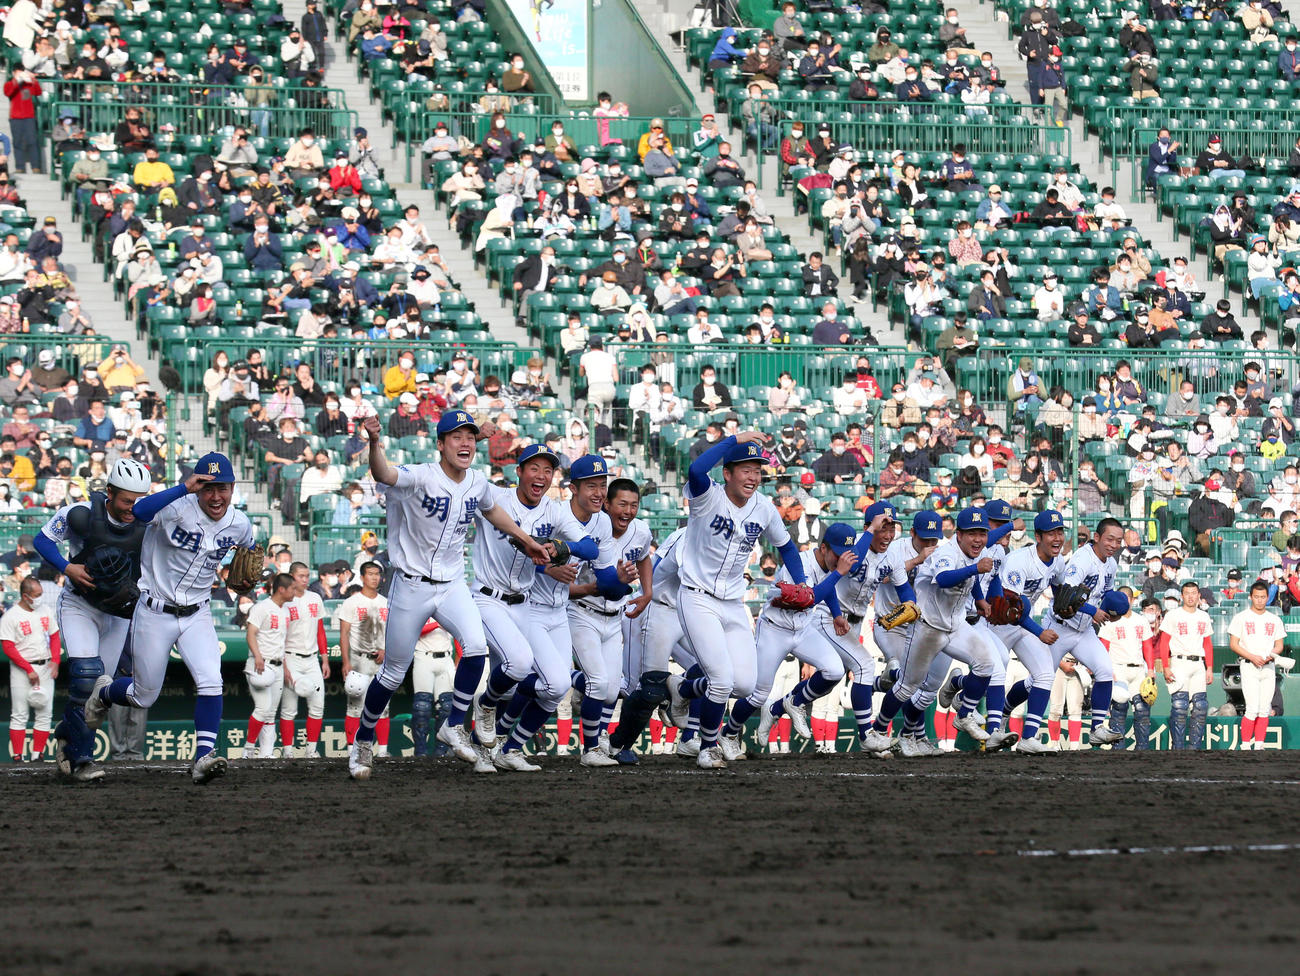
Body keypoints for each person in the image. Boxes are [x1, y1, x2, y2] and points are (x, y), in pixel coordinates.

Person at [344, 410, 549, 780]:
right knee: (392, 673)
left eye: (470, 436)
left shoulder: (476, 481)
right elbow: (383, 474)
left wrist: (528, 541)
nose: (466, 442)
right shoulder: (421, 476)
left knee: (476, 648)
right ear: (440, 444)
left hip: (453, 582)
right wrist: (375, 442)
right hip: (410, 583)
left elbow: (493, 511)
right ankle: (362, 740)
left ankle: (454, 723)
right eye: (456, 436)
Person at [85, 453, 255, 785]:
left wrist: (246, 580)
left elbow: (249, 551)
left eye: (222, 488)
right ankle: (104, 694)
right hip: (154, 610)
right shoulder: (177, 506)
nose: (215, 496)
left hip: (198, 612)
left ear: (233, 487)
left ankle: (203, 757)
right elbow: (139, 511)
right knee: (143, 695)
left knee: (211, 681)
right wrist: (184, 488)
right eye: (207, 488)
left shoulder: (239, 522)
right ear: (197, 487)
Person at [664, 433, 809, 769]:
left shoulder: (763, 507)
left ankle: (683, 690)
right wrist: (735, 439)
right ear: (727, 473)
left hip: (732, 602)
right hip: (697, 598)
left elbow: (786, 546)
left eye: (757, 470)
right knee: (721, 680)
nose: (753, 477)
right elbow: (696, 469)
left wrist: (800, 581)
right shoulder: (707, 495)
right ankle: (708, 747)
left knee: (745, 685)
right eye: (745, 469)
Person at [466, 446, 614, 770]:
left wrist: (564, 547)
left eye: (548, 471)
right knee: (522, 667)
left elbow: (588, 546)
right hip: (492, 596)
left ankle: (509, 749)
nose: (542, 476)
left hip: (530, 604)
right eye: (535, 468)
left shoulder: (553, 510)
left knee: (557, 686)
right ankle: (486, 708)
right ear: (518, 470)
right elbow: (462, 488)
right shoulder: (494, 498)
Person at [748, 506, 907, 754]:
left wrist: (912, 604)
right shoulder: (856, 546)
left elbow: (903, 586)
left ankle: (779, 707)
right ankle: (867, 735)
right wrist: (870, 531)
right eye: (882, 526)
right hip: (826, 617)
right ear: (870, 527)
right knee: (864, 665)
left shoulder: (891, 555)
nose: (887, 533)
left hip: (850, 621)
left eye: (891, 527)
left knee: (832, 677)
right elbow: (851, 566)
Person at [33, 458, 150, 781]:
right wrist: (66, 566)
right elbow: (43, 540)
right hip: (79, 604)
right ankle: (81, 759)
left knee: (100, 689)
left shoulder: (148, 521)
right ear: (110, 492)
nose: (133, 508)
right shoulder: (81, 513)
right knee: (86, 675)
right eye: (127, 500)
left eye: (139, 501)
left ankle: (67, 734)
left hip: (119, 613)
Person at [566, 477, 653, 765]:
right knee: (599, 683)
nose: (628, 511)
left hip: (614, 617)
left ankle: (600, 739)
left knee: (612, 689)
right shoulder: (585, 527)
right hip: (582, 611)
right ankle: (591, 749)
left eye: (634, 505)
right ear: (606, 504)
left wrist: (647, 593)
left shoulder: (640, 530)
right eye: (622, 504)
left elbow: (643, 557)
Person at [2, 576, 58, 761]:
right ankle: (18, 756)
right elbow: (8, 647)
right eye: (36, 595)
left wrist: (56, 661)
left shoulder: (45, 610)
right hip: (21, 669)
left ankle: (37, 755)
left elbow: (55, 635)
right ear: (25, 596)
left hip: (45, 665)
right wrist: (28, 669)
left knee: (45, 712)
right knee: (19, 713)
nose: (40, 598)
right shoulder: (11, 616)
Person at [278, 562, 330, 759]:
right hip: (291, 658)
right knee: (289, 709)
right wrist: (283, 666)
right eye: (301, 576)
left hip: (312, 659)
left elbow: (320, 630)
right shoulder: (285, 601)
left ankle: (311, 750)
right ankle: (288, 751)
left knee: (317, 707)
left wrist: (324, 659)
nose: (305, 579)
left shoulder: (315, 598)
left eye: (307, 575)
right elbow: (279, 636)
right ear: (292, 577)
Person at [1228, 581, 1285, 750]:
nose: (1260, 600)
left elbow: (1279, 645)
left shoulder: (1274, 619)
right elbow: (1234, 644)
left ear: (1267, 597)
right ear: (1251, 597)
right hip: (1249, 665)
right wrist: (1252, 656)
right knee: (1252, 707)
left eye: (1263, 597)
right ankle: (1246, 745)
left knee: (1264, 707)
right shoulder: (1241, 617)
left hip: (1268, 666)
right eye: (1256, 597)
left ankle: (1259, 744)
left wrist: (1270, 656)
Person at [242, 573, 293, 760]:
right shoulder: (262, 607)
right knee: (263, 709)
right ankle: (248, 749)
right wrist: (257, 657)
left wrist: (285, 667)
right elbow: (250, 634)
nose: (294, 592)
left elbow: (281, 642)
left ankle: (266, 753)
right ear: (282, 589)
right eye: (292, 588)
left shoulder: (285, 611)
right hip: (261, 665)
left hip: (278, 665)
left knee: (271, 713)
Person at [1098, 587, 1156, 749]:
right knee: (1119, 709)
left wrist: (1150, 668)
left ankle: (1142, 749)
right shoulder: (1111, 620)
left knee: (1142, 710)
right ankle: (1118, 749)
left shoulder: (1141, 620)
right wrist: (1108, 670)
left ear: (1131, 600)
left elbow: (1147, 646)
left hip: (1138, 669)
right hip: (1118, 668)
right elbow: (1104, 646)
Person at [1158, 580, 1214, 750]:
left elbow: (1207, 644)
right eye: (1187, 593)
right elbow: (1164, 642)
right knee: (1180, 706)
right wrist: (1166, 667)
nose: (1191, 596)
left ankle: (1195, 747)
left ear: (1199, 595)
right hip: (1179, 662)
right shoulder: (1173, 615)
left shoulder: (1203, 616)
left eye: (1194, 593)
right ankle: (1178, 748)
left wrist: (1210, 667)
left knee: (1200, 706)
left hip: (1198, 664)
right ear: (1182, 596)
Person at [4, 69, 41, 173]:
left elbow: (38, 92)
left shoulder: (27, 85)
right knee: (17, 142)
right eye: (18, 72)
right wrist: (17, 80)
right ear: (13, 73)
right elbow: (8, 92)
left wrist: (33, 79)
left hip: (29, 117)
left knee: (32, 141)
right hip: (15, 117)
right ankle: (19, 167)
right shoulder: (9, 84)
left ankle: (36, 166)